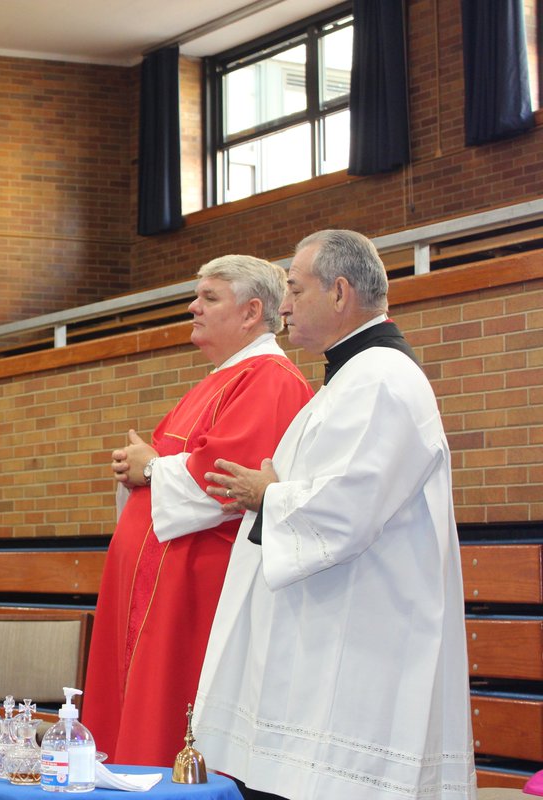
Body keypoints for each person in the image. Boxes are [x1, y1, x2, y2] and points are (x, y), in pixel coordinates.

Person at [197, 230, 476, 800]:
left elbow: (344, 511)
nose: (286, 306)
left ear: (341, 292)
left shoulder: (380, 379)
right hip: (328, 639)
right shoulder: (348, 379)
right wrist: (274, 489)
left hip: (359, 653)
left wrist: (266, 493)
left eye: (295, 289)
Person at [81, 255, 313, 767]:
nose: (193, 306)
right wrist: (140, 469)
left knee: (167, 730)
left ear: (252, 312)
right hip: (163, 583)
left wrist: (149, 470)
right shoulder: (218, 380)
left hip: (195, 588)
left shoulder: (269, 378)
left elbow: (223, 478)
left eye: (209, 297)